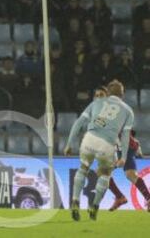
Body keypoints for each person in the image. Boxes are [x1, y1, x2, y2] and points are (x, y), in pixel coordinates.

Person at [64, 80, 134, 221]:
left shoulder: (96, 103)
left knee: (83, 168)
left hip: (89, 138)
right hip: (107, 144)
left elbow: (78, 123)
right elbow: (126, 135)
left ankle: (75, 201)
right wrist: (124, 157)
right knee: (105, 175)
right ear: (122, 94)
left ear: (108, 92)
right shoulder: (128, 111)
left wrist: (69, 143)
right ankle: (94, 206)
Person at [109, 129, 150, 212]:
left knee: (130, 174)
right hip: (114, 148)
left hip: (124, 149)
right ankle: (120, 197)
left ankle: (148, 198)